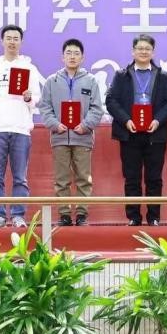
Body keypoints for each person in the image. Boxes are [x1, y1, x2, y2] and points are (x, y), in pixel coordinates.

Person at [107, 34, 167, 226]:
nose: (143, 52)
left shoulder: (162, 76)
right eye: (140, 48)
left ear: (153, 52)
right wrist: (126, 120)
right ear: (133, 51)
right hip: (130, 133)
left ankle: (154, 217)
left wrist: (158, 120)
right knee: (132, 178)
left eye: (147, 49)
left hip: (155, 134)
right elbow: (111, 101)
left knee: (154, 178)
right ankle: (134, 217)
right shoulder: (122, 75)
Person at [0, 24, 43, 229]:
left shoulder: (29, 69)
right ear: (2, 41)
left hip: (20, 128)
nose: (12, 42)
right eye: (8, 38)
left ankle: (18, 215)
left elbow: (37, 99)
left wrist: (29, 97)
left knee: (20, 176)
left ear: (21, 42)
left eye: (16, 38)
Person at [38, 38, 106, 226]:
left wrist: (85, 125)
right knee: (61, 179)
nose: (72, 57)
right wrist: (54, 124)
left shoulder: (90, 81)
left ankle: (82, 214)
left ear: (82, 57)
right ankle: (65, 215)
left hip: (83, 137)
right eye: (69, 53)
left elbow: (97, 108)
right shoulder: (52, 81)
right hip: (59, 137)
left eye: (76, 53)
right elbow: (45, 107)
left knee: (84, 178)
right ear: (62, 57)